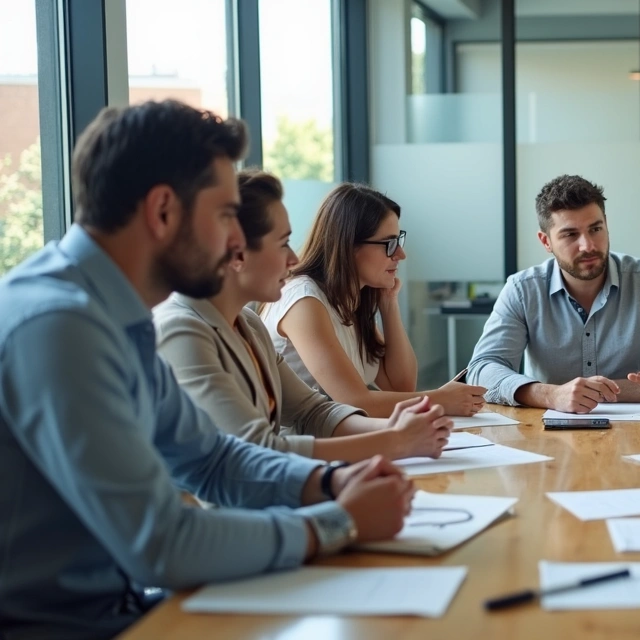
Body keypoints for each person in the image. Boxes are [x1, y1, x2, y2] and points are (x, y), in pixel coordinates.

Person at [0, 101, 413, 639]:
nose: (235, 241)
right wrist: (338, 522)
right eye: (224, 216)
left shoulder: (115, 309)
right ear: (164, 210)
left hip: (121, 607)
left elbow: (211, 458)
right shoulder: (60, 326)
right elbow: (161, 544)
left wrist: (331, 480)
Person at [155, 169, 452, 462]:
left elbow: (312, 411)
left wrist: (394, 430)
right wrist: (393, 441)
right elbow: (256, 451)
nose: (294, 259)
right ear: (238, 253)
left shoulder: (249, 324)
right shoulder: (183, 329)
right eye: (283, 243)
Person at [467, 174, 640, 412]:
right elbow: (482, 370)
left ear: (607, 226)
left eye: (595, 229)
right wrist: (552, 395)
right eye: (570, 235)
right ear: (546, 242)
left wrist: (605, 392)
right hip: (547, 434)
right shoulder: (522, 290)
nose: (588, 245)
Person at [259, 183, 486, 418]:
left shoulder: (351, 299)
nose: (400, 254)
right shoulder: (304, 300)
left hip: (338, 439)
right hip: (297, 446)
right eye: (389, 244)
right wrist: (439, 399)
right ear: (348, 245)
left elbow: (400, 387)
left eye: (399, 241)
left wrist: (389, 305)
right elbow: (354, 401)